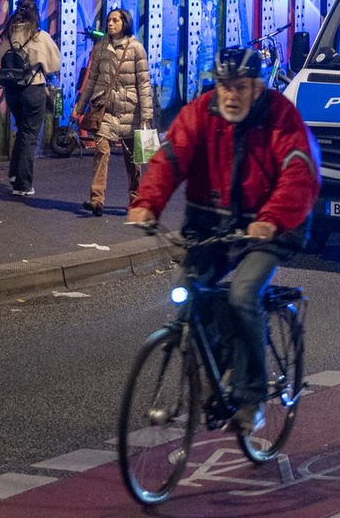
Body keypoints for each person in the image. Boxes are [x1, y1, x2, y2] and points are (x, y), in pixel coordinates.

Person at [127, 46, 320, 434]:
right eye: (224, 86)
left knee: (242, 293)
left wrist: (271, 219)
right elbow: (170, 158)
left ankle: (251, 398)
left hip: (269, 230)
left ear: (257, 87)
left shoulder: (280, 117)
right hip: (212, 228)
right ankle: (220, 363)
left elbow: (300, 172)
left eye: (240, 87)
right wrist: (147, 204)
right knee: (188, 299)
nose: (231, 95)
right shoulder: (200, 114)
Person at [72, 8, 152, 216]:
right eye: (109, 20)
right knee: (102, 150)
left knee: (132, 158)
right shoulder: (101, 47)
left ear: (125, 23)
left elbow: (144, 83)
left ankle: (136, 198)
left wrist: (146, 115)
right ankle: (96, 199)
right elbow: (91, 80)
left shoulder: (136, 48)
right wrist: (79, 107)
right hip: (105, 108)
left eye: (115, 20)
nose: (110, 24)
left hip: (130, 110)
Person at [0, 0, 60, 198]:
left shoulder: (8, 35)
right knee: (30, 135)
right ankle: (23, 184)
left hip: (12, 91)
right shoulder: (39, 36)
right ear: (35, 12)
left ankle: (14, 175)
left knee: (22, 131)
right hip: (33, 89)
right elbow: (54, 64)